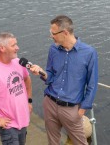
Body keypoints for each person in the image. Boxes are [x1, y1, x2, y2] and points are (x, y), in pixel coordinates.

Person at [30, 15, 98, 145]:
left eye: (53, 33)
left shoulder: (89, 53)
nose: (51, 36)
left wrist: (82, 110)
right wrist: (42, 72)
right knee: (53, 142)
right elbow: (50, 75)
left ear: (65, 33)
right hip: (50, 102)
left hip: (71, 109)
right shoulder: (53, 49)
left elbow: (92, 85)